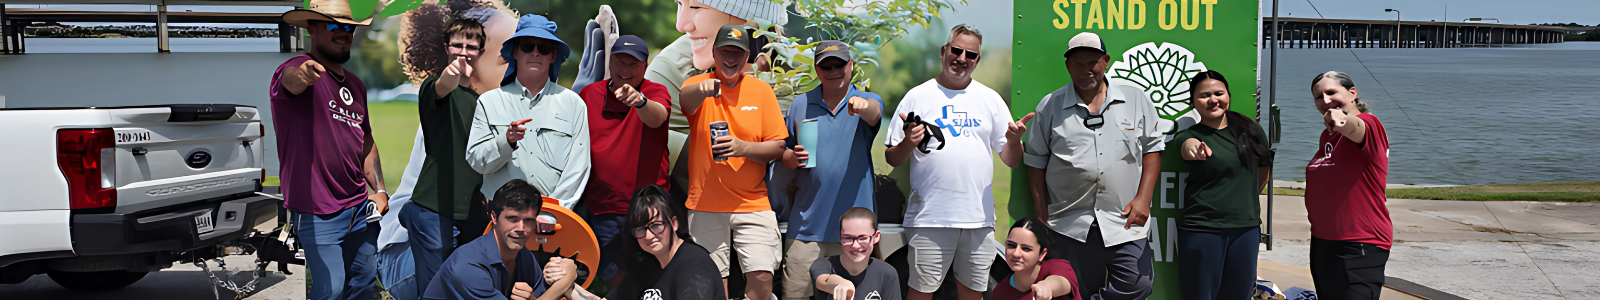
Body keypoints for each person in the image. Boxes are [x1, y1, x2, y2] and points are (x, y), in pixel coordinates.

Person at [883, 24, 1027, 300]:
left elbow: (1011, 160)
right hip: (930, 218)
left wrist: (1012, 141)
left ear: (977, 60)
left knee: (973, 293)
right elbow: (892, 156)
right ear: (943, 51)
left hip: (978, 219)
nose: (961, 58)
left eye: (970, 55)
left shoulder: (990, 99)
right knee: (920, 292)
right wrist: (908, 143)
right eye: (956, 50)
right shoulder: (917, 96)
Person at [1021, 32, 1162, 300]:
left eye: (1092, 63)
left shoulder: (1135, 99)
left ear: (1105, 62)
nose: (1085, 70)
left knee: (1138, 284)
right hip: (1070, 221)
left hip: (1124, 219)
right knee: (1078, 290)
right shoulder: (1050, 106)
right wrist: (1040, 211)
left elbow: (1153, 149)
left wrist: (1144, 198)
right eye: (1078, 64)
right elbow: (1036, 161)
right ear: (1067, 66)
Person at [270, 1, 386, 299]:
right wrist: (304, 73)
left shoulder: (356, 85)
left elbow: (366, 140)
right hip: (318, 212)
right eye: (334, 26)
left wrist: (381, 190)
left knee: (362, 287)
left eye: (348, 27)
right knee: (330, 291)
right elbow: (291, 81)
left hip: (360, 208)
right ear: (312, 29)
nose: (343, 33)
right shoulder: (293, 69)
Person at [678, 24, 792, 300]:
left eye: (738, 53)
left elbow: (778, 146)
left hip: (752, 202)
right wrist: (703, 89)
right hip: (705, 202)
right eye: (726, 51)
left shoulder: (761, 91)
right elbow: (686, 101)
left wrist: (742, 147)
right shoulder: (696, 85)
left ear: (747, 57)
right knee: (713, 284)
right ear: (714, 53)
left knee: (763, 278)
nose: (731, 58)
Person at [771, 40, 884, 300]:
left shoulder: (866, 99)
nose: (833, 70)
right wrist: (790, 157)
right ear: (816, 69)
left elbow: (875, 113)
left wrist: (862, 107)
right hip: (806, 230)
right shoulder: (800, 104)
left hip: (853, 236)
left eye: (839, 64)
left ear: (851, 66)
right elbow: (784, 153)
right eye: (826, 65)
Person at [646, 0, 791, 203]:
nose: (681, 24)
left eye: (696, 7)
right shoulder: (674, 65)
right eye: (679, 4)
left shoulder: (794, 70)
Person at [405, 17, 498, 298]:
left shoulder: (482, 101)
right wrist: (452, 72)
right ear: (446, 48)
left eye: (471, 46)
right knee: (435, 291)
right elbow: (444, 84)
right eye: (457, 45)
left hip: (472, 213)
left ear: (481, 51)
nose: (463, 51)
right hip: (435, 210)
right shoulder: (435, 88)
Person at [576, 34, 673, 288]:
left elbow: (658, 117)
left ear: (645, 66)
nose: (625, 70)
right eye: (620, 61)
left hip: (648, 207)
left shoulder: (655, 92)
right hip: (603, 208)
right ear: (610, 62)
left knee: (654, 276)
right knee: (616, 281)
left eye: (633, 64)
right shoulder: (589, 94)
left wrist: (640, 102)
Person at [467, 14, 591, 209]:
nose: (535, 53)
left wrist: (554, 210)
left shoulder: (573, 103)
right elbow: (477, 161)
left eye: (543, 48)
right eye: (527, 46)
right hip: (501, 217)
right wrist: (506, 142)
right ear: (515, 52)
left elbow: (578, 168)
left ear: (553, 56)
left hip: (554, 219)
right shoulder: (488, 102)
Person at [1171, 70, 1273, 300]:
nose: (1213, 100)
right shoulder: (1189, 134)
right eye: (1204, 95)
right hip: (1202, 230)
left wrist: (1244, 198)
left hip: (1245, 229)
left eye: (1219, 93)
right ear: (1193, 101)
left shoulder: (1250, 130)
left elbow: (1264, 168)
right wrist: (1195, 148)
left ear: (1228, 95)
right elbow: (1187, 146)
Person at [551, 187, 726, 300]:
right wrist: (565, 282)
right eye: (640, 230)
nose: (649, 236)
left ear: (674, 223)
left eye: (656, 226)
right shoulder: (649, 266)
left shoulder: (694, 265)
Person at [1305, 71, 1391, 300]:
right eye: (1318, 97)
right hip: (1324, 242)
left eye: (1331, 92)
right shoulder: (1327, 137)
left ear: (1352, 93)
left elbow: (1355, 127)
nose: (1325, 101)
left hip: (1358, 243)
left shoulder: (1370, 125)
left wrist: (1342, 120)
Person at [421, 180, 577, 300]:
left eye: (528, 220)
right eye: (512, 219)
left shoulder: (523, 256)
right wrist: (566, 280)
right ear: (494, 217)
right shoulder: (467, 267)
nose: (521, 228)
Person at [810, 207, 901, 300]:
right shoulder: (823, 265)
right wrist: (841, 283)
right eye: (848, 238)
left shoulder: (887, 273)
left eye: (863, 238)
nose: (856, 245)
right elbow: (823, 281)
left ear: (876, 237)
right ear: (840, 238)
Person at [991, 219, 1082, 300]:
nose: (1016, 253)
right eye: (1011, 245)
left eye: (1026, 248)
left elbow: (1062, 282)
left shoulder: (1060, 266)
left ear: (1042, 254)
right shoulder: (999, 293)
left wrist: (1047, 286)